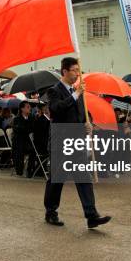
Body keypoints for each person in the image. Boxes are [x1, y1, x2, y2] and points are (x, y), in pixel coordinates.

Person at [43, 57, 111, 229]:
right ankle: (51, 211)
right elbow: (56, 110)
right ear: (65, 71)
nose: (77, 73)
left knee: (83, 177)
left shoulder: (78, 91)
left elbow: (83, 112)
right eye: (74, 70)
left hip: (77, 141)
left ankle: (91, 215)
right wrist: (76, 94)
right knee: (56, 180)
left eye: (78, 70)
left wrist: (88, 123)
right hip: (61, 142)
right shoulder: (54, 91)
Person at [12, 101, 35, 177]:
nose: (30, 108)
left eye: (30, 107)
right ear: (22, 109)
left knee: (33, 151)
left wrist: (26, 129)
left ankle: (30, 170)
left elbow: (32, 129)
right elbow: (19, 130)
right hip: (18, 141)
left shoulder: (31, 117)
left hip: (27, 141)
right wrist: (27, 129)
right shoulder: (17, 118)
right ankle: (19, 169)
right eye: (27, 107)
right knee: (20, 150)